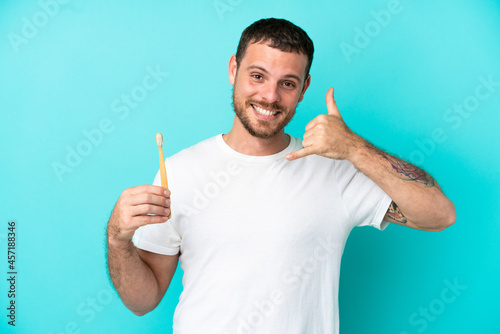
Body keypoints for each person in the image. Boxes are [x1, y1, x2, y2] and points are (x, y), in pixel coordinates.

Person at [106, 18, 456, 334]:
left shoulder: (333, 169)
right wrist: (118, 240)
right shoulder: (180, 171)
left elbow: (440, 214)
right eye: (257, 76)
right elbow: (143, 301)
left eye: (287, 83)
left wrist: (354, 148)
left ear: (304, 89)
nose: (270, 96)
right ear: (233, 69)